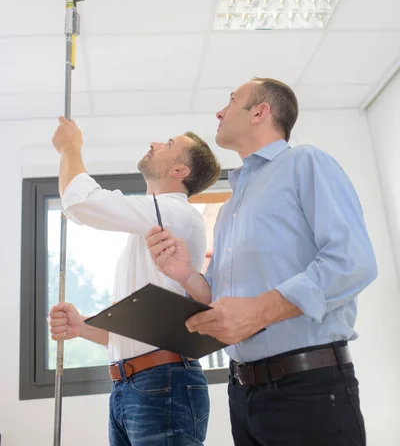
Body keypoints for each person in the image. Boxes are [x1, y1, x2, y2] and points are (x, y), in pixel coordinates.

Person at [146, 77, 378, 446]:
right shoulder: (230, 207)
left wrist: (261, 310)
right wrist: (187, 274)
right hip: (244, 395)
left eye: (232, 101)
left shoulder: (306, 163)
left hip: (309, 390)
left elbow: (352, 261)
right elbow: (222, 297)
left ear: (260, 112)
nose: (220, 112)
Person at [48, 117, 221, 446]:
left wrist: (71, 148)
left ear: (180, 171)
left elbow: (80, 202)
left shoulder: (174, 213)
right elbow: (140, 331)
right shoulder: (147, 231)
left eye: (168, 145)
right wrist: (81, 326)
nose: (155, 144)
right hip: (133, 385)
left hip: (162, 382)